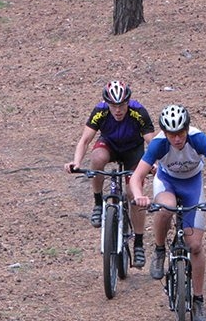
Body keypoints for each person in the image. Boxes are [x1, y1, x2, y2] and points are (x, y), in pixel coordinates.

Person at [129, 104, 206, 321]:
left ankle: (198, 299)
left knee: (195, 245)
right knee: (166, 207)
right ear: (165, 133)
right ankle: (159, 250)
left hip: (193, 185)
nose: (177, 139)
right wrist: (139, 196)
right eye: (172, 134)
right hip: (167, 182)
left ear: (187, 128)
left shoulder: (198, 138)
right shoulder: (158, 143)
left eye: (181, 133)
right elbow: (136, 177)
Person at [64, 80, 156, 268]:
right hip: (109, 145)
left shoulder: (138, 111)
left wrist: (154, 164)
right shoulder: (100, 111)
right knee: (97, 158)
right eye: (113, 106)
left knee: (134, 194)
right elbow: (85, 140)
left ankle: (138, 243)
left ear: (128, 102)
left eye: (122, 105)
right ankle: (98, 203)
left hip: (133, 151)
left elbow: (153, 143)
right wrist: (76, 162)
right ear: (107, 104)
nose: (118, 110)